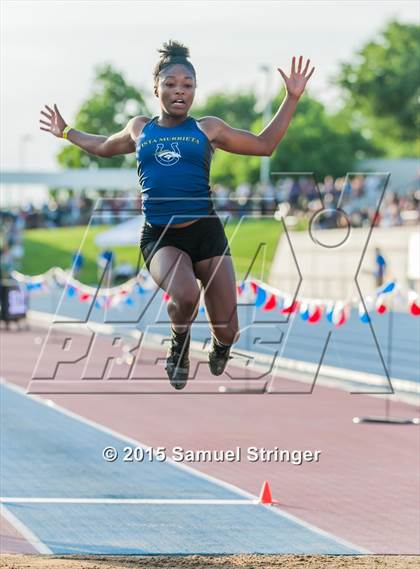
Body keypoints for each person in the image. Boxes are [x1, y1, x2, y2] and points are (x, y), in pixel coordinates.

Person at [39, 40, 314, 390]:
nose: (179, 91)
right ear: (156, 88)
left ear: (196, 90)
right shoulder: (141, 128)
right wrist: (66, 132)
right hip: (161, 236)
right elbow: (104, 146)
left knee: (229, 330)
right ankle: (179, 345)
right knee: (185, 296)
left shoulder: (207, 129)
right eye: (171, 84)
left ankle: (220, 346)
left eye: (188, 85)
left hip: (206, 232)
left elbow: (264, 145)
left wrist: (291, 98)